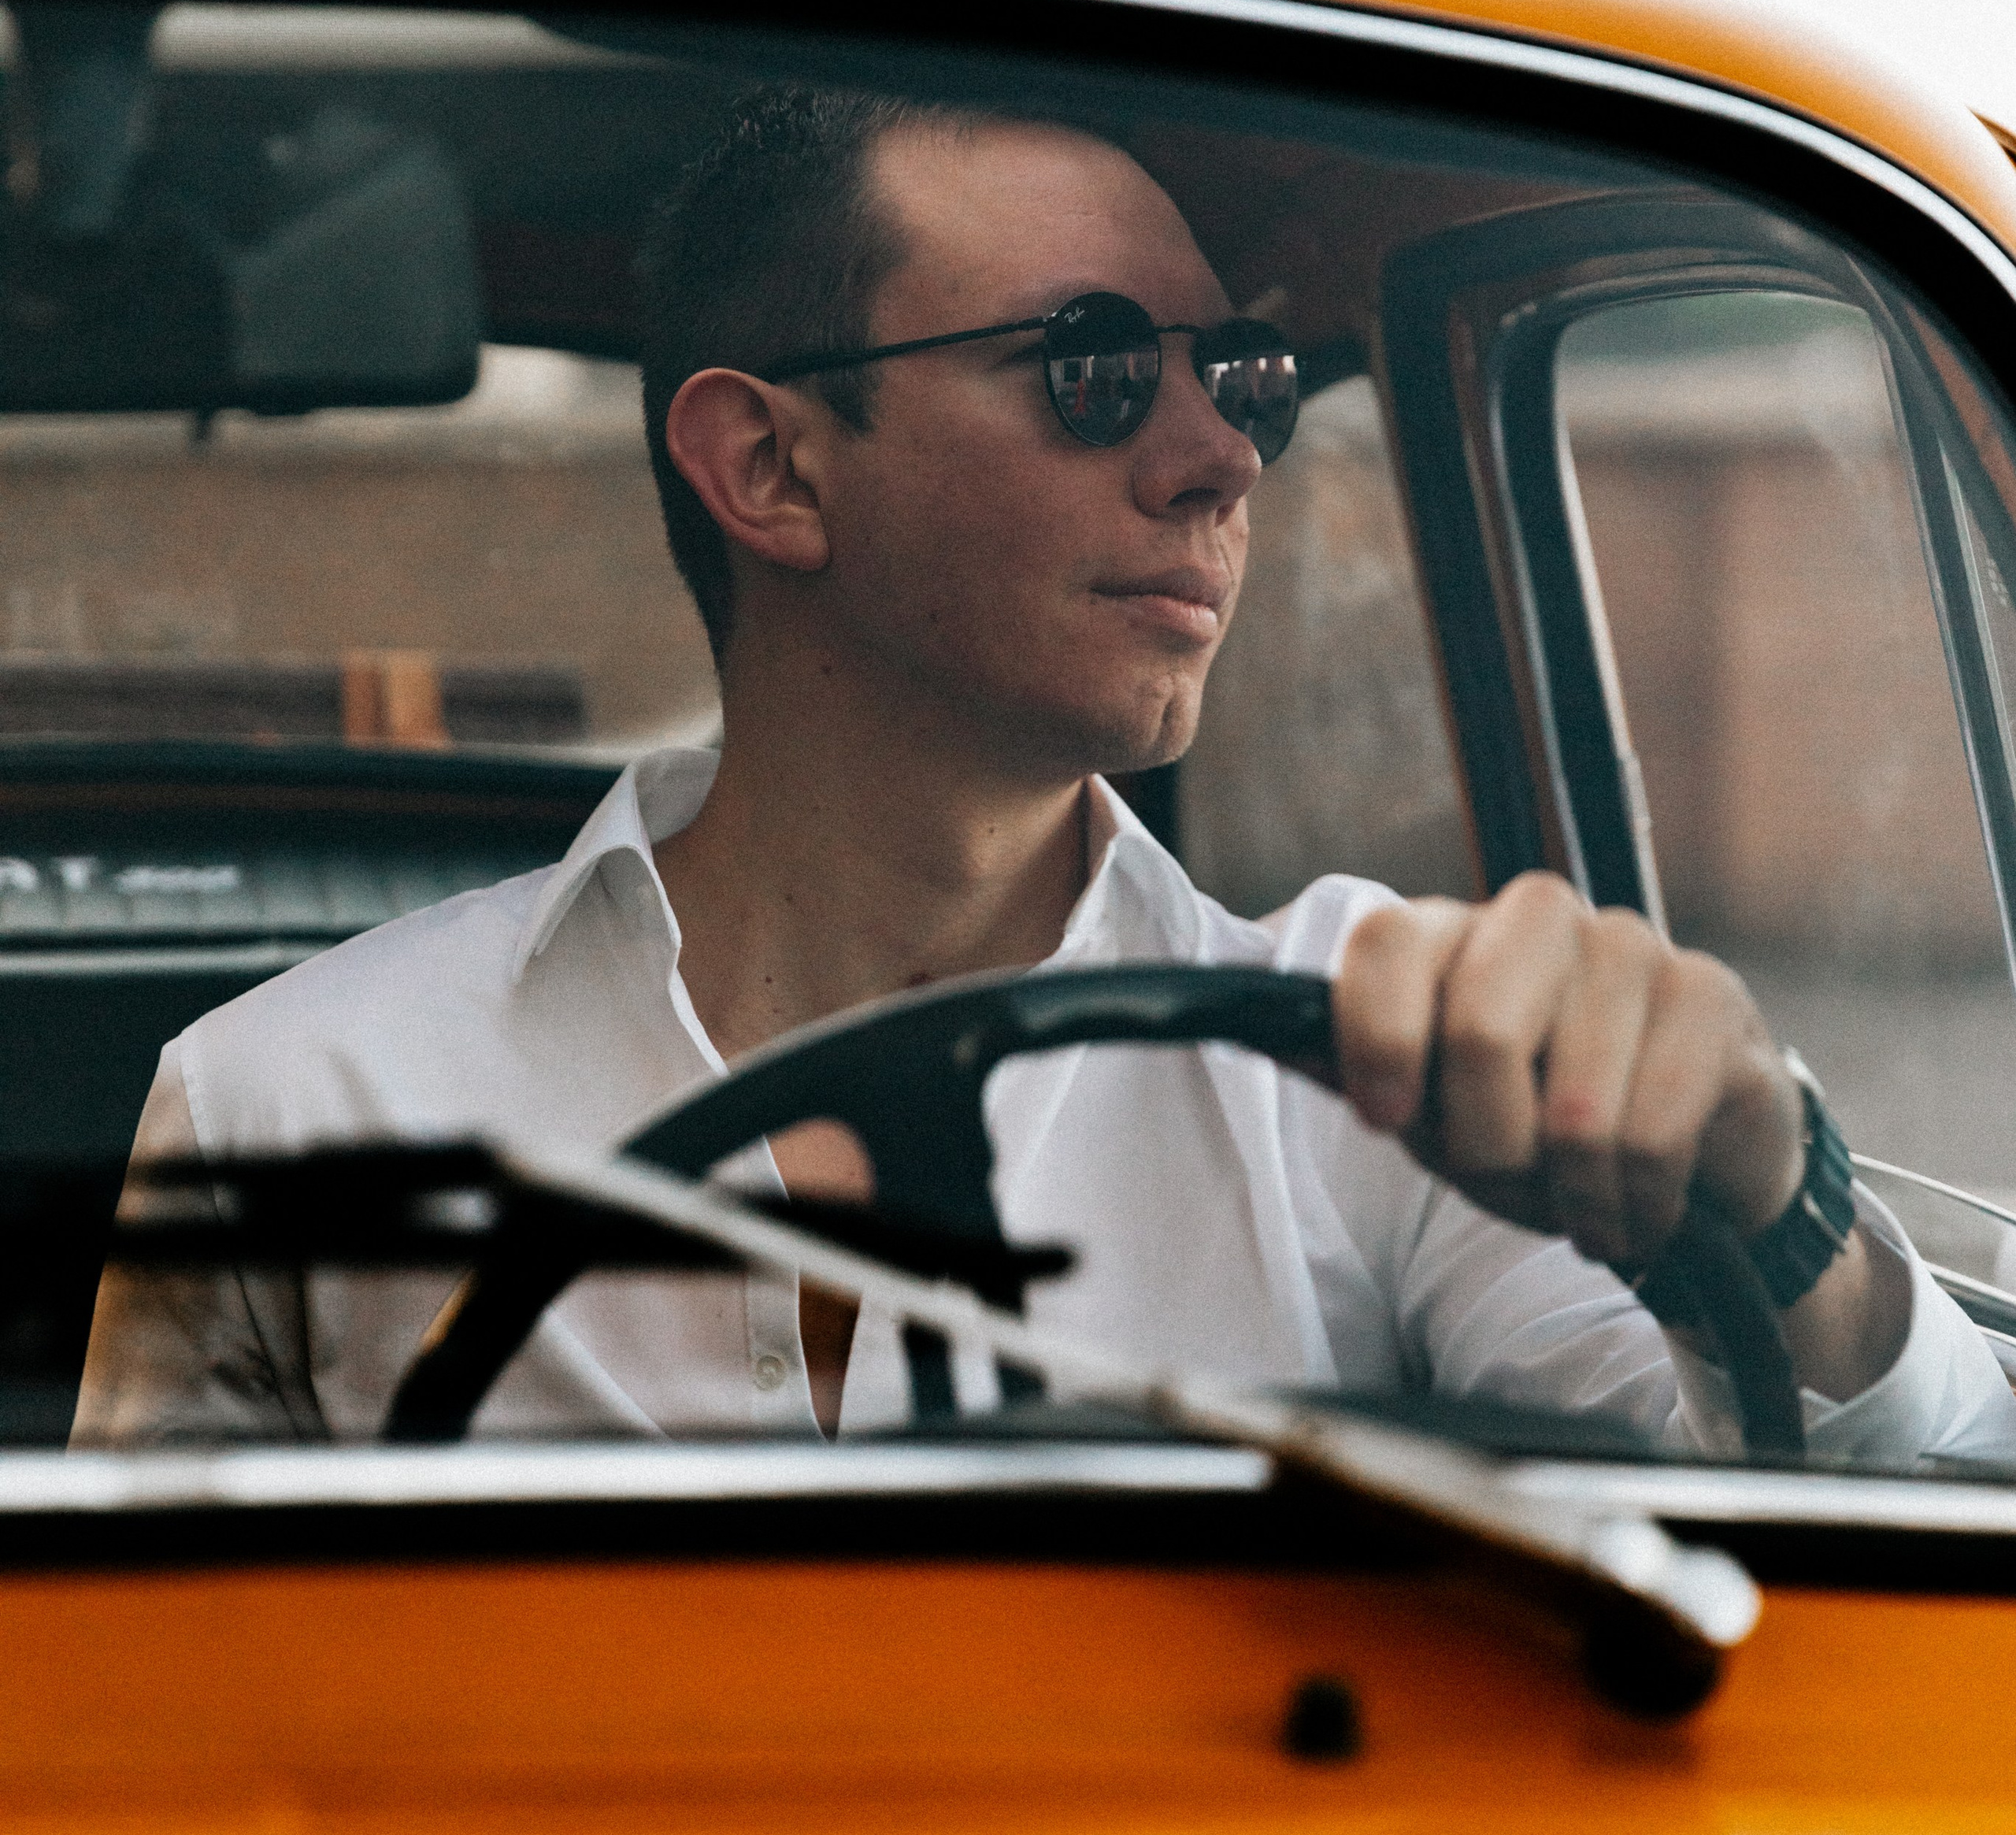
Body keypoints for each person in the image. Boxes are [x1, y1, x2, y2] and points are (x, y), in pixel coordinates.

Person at [75, 87, 2016, 1459]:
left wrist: (1772, 1208)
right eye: (1094, 366)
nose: (1218, 458)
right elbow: (135, 1781)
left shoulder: (1373, 1063)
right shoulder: (288, 1099)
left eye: (1238, 379)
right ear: (767, 467)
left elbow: (1895, 1549)